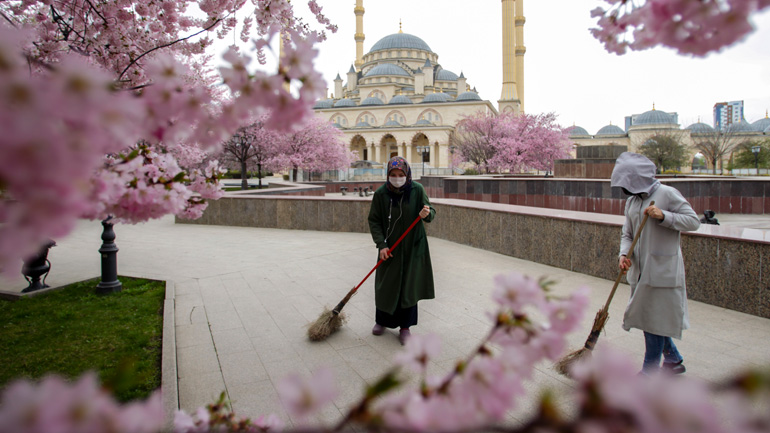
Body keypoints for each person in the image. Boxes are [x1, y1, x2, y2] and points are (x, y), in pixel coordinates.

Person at [610, 152, 700, 375]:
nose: (625, 189)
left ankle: (648, 373)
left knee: (653, 323)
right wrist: (623, 255)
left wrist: (664, 216)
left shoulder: (667, 194)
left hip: (662, 271)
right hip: (640, 271)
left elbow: (693, 221)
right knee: (650, 319)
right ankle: (673, 358)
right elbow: (627, 233)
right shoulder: (632, 202)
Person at [368, 156, 436, 345]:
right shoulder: (381, 194)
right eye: (393, 174)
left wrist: (427, 213)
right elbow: (374, 221)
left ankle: (405, 327)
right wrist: (381, 244)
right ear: (388, 174)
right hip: (389, 249)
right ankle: (381, 321)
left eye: (401, 175)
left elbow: (431, 212)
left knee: (408, 286)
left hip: (413, 248)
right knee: (385, 285)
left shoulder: (417, 190)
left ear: (407, 175)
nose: (397, 178)